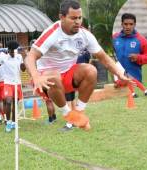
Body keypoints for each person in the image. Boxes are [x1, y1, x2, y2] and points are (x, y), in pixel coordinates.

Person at [25, 0, 130, 131]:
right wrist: (35, 76)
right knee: (54, 76)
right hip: (46, 80)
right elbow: (30, 56)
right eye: (73, 18)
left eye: (80, 18)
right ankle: (68, 114)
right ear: (61, 17)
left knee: (91, 70)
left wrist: (119, 73)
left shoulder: (84, 34)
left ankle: (79, 113)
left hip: (68, 75)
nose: (78, 22)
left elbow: (104, 58)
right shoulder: (52, 33)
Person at [112, 13, 147, 97]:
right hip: (119, 75)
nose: (128, 27)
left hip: (135, 77)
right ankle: (135, 92)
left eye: (131, 24)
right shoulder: (115, 38)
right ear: (121, 24)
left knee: (131, 79)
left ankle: (141, 91)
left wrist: (138, 57)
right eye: (125, 24)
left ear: (134, 25)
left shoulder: (141, 40)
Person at [0, 40, 26, 133]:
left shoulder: (19, 56)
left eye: (15, 51)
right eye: (12, 51)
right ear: (8, 50)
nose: (13, 53)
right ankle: (8, 122)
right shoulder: (3, 57)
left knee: (15, 104)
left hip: (17, 83)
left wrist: (24, 56)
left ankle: (14, 122)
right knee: (8, 101)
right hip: (8, 83)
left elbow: (23, 69)